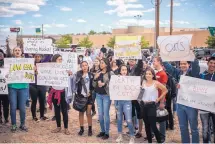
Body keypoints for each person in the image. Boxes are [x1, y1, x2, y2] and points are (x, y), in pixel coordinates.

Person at [163, 59, 200, 143]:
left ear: (189, 64)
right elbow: (169, 67)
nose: (182, 65)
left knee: (194, 128)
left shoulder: (193, 73)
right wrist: (164, 56)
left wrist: (192, 55)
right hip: (180, 104)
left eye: (185, 63)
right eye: (181, 64)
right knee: (183, 127)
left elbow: (196, 67)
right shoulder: (178, 72)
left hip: (191, 105)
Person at [140, 68, 168, 143]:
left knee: (153, 125)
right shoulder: (143, 82)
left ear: (153, 75)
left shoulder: (156, 83)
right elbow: (141, 93)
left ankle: (159, 141)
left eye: (149, 74)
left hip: (152, 106)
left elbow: (165, 90)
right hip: (143, 105)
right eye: (146, 74)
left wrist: (159, 99)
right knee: (146, 125)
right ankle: (150, 141)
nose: (148, 75)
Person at [47, 54, 71, 135]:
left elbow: (70, 76)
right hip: (54, 92)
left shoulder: (65, 68)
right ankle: (58, 127)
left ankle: (66, 128)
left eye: (61, 59)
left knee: (64, 111)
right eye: (59, 59)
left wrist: (70, 73)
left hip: (63, 92)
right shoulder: (51, 69)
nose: (60, 61)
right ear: (54, 60)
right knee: (56, 111)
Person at [8, 47, 29, 132]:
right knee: (13, 107)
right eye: (15, 50)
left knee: (22, 108)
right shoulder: (9, 62)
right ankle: (13, 124)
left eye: (19, 50)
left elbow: (30, 72)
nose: (17, 51)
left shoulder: (27, 62)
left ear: (21, 52)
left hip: (23, 87)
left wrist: (33, 69)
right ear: (13, 52)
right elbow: (5, 72)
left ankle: (22, 124)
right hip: (12, 87)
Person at [72, 61, 94, 136]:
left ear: (88, 66)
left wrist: (91, 92)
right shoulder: (78, 74)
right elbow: (74, 82)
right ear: (81, 67)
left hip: (89, 97)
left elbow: (93, 86)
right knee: (81, 113)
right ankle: (81, 129)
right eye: (83, 65)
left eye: (86, 65)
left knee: (88, 113)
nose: (84, 67)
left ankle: (90, 129)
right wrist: (80, 78)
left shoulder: (91, 75)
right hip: (80, 97)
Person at [93, 58, 114, 140]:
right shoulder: (98, 72)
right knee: (100, 114)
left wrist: (104, 84)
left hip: (106, 96)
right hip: (98, 95)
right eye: (100, 63)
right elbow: (94, 85)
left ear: (106, 64)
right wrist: (95, 78)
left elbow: (113, 85)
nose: (100, 64)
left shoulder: (110, 73)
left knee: (106, 114)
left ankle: (107, 133)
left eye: (102, 63)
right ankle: (102, 130)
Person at [115, 65, 135, 144]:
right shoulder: (117, 80)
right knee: (119, 120)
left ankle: (132, 136)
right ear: (120, 71)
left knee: (129, 120)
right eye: (122, 70)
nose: (124, 71)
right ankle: (120, 135)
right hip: (119, 102)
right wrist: (116, 104)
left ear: (127, 71)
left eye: (125, 70)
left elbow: (133, 89)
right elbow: (115, 92)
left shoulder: (130, 80)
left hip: (127, 102)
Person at [199, 57, 215, 143]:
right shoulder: (201, 75)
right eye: (211, 63)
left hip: (214, 106)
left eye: (214, 63)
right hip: (204, 106)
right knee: (205, 128)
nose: (212, 65)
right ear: (207, 63)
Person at [152, 57, 168, 142]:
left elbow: (164, 89)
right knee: (153, 118)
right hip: (153, 99)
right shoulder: (155, 72)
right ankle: (154, 134)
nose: (153, 63)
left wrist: (162, 102)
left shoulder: (163, 74)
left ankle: (162, 136)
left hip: (159, 100)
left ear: (159, 62)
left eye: (154, 61)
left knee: (161, 119)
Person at [30, 54, 48, 122]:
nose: (37, 58)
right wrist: (33, 70)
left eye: (39, 57)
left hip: (42, 85)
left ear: (41, 57)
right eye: (36, 57)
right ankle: (34, 116)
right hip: (33, 85)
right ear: (34, 57)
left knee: (42, 101)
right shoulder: (30, 64)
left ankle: (42, 115)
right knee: (34, 101)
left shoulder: (44, 65)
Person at [0, 49, 9, 124]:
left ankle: (6, 117)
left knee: (6, 105)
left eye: (1, 54)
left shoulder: (7, 64)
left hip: (5, 88)